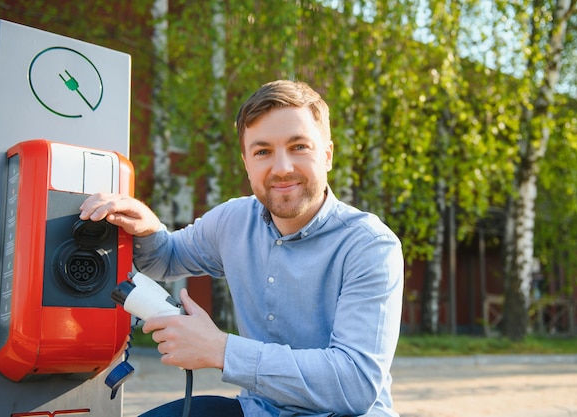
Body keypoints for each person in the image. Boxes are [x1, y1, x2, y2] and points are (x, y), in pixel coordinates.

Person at [80, 80, 403, 417]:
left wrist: (221, 350)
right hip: (258, 410)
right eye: (263, 151)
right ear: (247, 162)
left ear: (327, 155)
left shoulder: (370, 245)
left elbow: (354, 384)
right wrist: (148, 227)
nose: (281, 168)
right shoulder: (233, 219)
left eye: (299, 147)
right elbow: (166, 258)